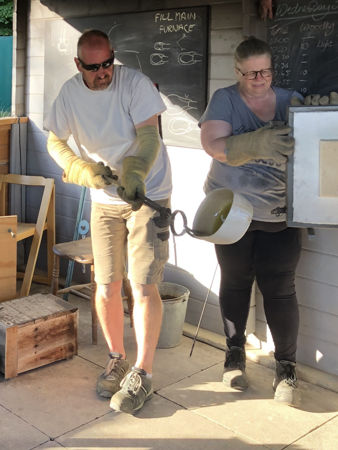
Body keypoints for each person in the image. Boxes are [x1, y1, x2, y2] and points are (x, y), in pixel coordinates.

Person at [44, 29, 172, 414]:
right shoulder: (69, 93)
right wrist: (80, 169)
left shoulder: (132, 84)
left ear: (112, 57)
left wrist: (135, 169)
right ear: (78, 64)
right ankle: (116, 357)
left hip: (147, 192)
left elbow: (150, 136)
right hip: (104, 198)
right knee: (106, 285)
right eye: (93, 67)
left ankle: (143, 372)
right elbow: (55, 141)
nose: (102, 73)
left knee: (143, 284)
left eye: (107, 64)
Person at [199, 36, 303, 405]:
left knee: (280, 289)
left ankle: (286, 368)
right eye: (252, 73)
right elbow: (212, 144)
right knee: (235, 282)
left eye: (267, 71)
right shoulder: (225, 99)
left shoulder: (292, 101)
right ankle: (234, 355)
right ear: (238, 70)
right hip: (232, 213)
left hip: (279, 211)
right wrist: (255, 143)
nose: (261, 78)